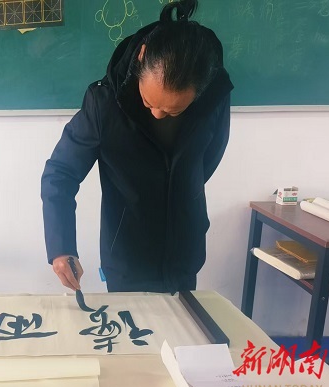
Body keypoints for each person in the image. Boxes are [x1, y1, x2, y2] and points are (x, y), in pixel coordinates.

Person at [41, 0, 233, 294]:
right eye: (148, 102)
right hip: (127, 255)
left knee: (181, 320)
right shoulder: (104, 104)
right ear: (142, 56)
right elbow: (61, 173)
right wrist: (61, 246)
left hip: (185, 249)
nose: (156, 114)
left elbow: (210, 155)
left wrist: (180, 189)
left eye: (172, 111)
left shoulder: (213, 97)